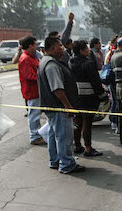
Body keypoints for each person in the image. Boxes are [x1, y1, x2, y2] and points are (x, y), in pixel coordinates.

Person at [37, 36, 86, 174]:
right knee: (64, 136)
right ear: (52, 48)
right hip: (58, 107)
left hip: (51, 106)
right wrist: (68, 106)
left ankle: (56, 161)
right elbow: (57, 88)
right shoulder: (51, 64)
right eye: (60, 46)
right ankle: (67, 164)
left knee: (54, 135)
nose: (63, 49)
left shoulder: (45, 62)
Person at [70, 40, 105, 157]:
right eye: (86, 48)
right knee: (87, 122)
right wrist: (102, 95)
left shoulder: (71, 62)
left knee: (78, 121)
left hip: (76, 96)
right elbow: (95, 81)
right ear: (81, 51)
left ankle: (78, 145)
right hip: (88, 97)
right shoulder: (88, 63)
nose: (88, 50)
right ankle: (88, 148)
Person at [17, 36, 46, 145]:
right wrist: (43, 77)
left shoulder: (31, 56)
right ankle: (34, 136)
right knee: (34, 114)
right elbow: (30, 76)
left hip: (36, 90)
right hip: (32, 91)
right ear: (30, 46)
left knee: (36, 113)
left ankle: (37, 134)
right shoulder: (26, 58)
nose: (36, 47)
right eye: (35, 45)